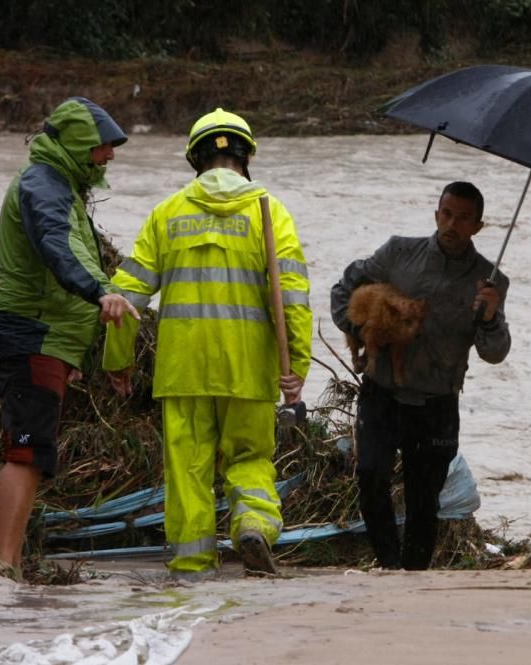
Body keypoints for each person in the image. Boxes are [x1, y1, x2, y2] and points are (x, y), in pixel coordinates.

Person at [102, 108, 312, 579]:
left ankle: (193, 568)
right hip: (249, 371)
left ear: (194, 159)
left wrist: (118, 361)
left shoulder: (168, 214)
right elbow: (293, 302)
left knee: (188, 471)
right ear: (247, 155)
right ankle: (253, 524)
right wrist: (295, 369)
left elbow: (126, 295)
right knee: (251, 458)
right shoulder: (270, 213)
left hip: (183, 371)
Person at [0, 97, 140, 574]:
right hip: (32, 335)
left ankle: (6, 566)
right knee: (26, 453)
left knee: (32, 454)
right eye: (102, 147)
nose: (109, 157)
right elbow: (56, 246)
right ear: (76, 145)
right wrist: (99, 291)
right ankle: (2, 570)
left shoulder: (61, 187)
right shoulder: (43, 187)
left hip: (48, 340)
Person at [330, 181, 511, 570]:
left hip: (437, 402)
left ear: (478, 226)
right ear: (436, 214)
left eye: (463, 218)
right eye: (447, 214)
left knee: (424, 498)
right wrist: (362, 330)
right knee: (370, 476)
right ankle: (388, 566)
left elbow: (493, 353)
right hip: (383, 393)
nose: (452, 224)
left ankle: (414, 579)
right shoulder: (398, 253)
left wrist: (491, 316)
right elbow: (344, 288)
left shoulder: (488, 282)